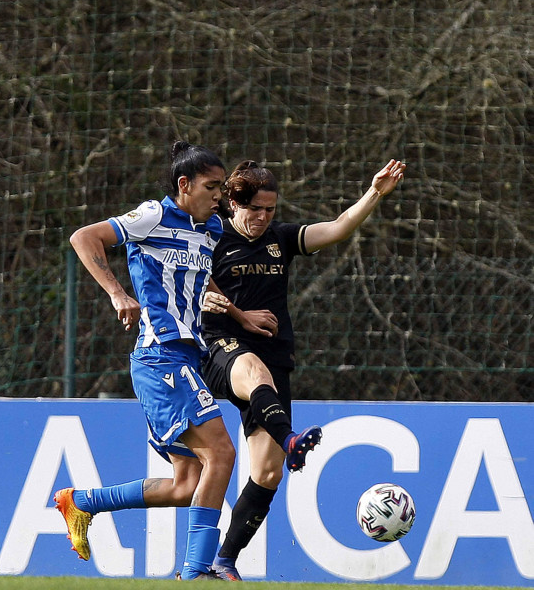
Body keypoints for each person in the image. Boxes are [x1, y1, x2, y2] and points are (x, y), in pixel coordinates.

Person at [200, 158, 407, 580]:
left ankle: (222, 562)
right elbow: (193, 279)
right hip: (222, 346)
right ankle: (293, 440)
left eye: (270, 210)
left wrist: (374, 193)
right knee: (253, 371)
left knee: (268, 473)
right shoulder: (210, 235)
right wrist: (238, 314)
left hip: (274, 358)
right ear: (233, 205)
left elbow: (337, 227)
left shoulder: (280, 239)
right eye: (255, 209)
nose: (263, 217)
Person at [54, 141, 237, 580]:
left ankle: (82, 502)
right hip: (160, 357)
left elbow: (194, 276)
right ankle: (196, 572)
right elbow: (84, 237)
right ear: (184, 184)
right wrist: (119, 293)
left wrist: (235, 311)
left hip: (185, 357)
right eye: (212, 187)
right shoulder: (153, 215)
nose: (219, 196)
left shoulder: (210, 228)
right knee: (223, 453)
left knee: (185, 486)